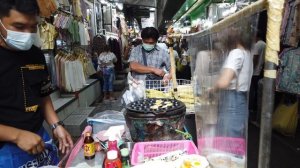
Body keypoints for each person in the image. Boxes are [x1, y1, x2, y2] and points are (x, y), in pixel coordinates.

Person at [0, 0, 73, 167]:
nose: (27, 34)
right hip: (5, 150)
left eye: (33, 27)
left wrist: (56, 125)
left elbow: (42, 95)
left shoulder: (36, 55)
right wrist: (16, 135)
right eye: (19, 27)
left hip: (39, 140)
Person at [210, 26, 253, 138]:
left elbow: (224, 82)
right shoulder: (247, 52)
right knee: (235, 138)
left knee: (229, 138)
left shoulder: (236, 53)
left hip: (232, 100)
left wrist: (212, 88)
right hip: (240, 99)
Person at [249, 31, 266, 120]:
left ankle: (252, 109)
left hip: (255, 71)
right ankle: (256, 109)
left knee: (253, 91)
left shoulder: (257, 45)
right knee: (258, 91)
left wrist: (251, 68)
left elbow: (255, 58)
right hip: (261, 70)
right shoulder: (265, 44)